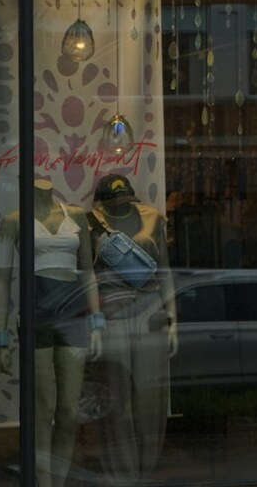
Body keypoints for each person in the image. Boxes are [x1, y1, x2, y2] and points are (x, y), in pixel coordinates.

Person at [0, 178, 103, 487]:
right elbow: (2, 280)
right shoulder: (14, 221)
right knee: (44, 409)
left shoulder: (76, 216)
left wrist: (96, 320)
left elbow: (88, 271)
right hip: (36, 311)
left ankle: (59, 480)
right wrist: (0, 336)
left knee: (68, 411)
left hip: (73, 313)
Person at [89, 173, 178, 484]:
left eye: (122, 202)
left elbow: (165, 272)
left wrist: (173, 320)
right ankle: (121, 474)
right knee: (116, 399)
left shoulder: (153, 220)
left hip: (150, 314)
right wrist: (95, 323)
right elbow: (86, 278)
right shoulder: (90, 223)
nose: (118, 208)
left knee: (150, 400)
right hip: (111, 315)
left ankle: (146, 469)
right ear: (101, 202)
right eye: (112, 203)